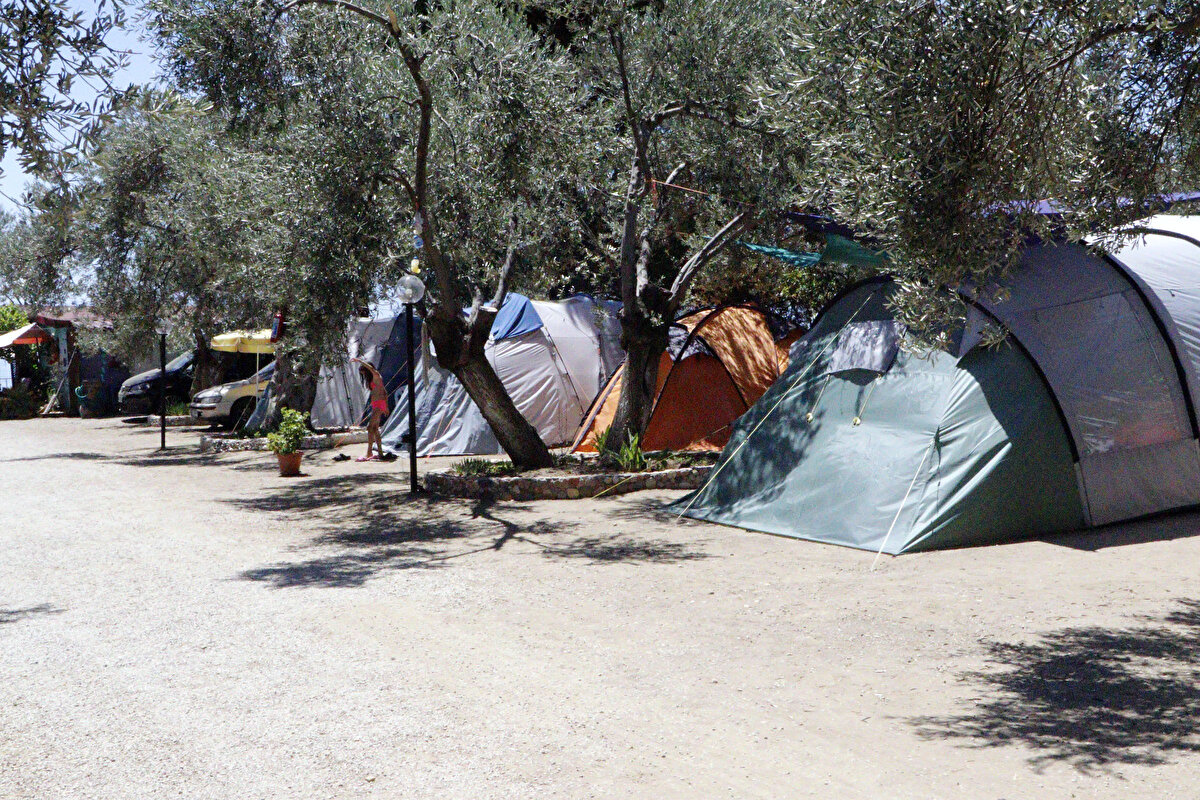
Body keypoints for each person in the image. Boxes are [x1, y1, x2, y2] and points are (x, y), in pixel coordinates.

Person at [352, 359, 388, 462]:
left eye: (363, 372)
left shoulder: (376, 375)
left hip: (379, 404)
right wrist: (386, 406)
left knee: (369, 427)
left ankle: (369, 452)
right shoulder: (373, 380)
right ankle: (380, 453)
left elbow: (371, 368)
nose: (363, 375)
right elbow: (384, 392)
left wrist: (358, 360)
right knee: (375, 428)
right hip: (376, 404)